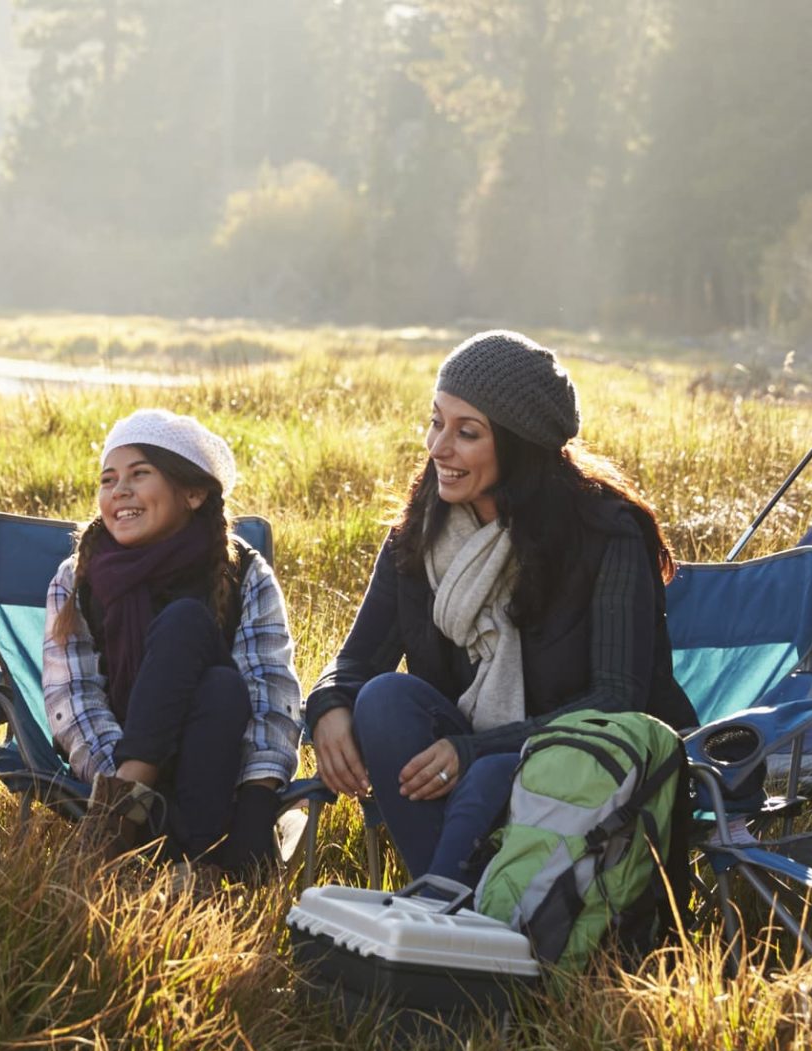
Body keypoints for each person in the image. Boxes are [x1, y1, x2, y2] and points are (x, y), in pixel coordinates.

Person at [307, 330, 696, 888]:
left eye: (467, 433)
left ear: (519, 447)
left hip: (585, 766)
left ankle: (442, 916)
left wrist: (476, 749)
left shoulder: (605, 533)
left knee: (491, 771)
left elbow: (616, 698)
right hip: (470, 759)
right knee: (384, 697)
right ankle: (469, 914)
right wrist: (327, 707)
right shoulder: (422, 529)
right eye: (436, 421)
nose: (438, 448)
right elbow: (356, 662)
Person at [42, 409, 302, 882]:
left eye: (140, 474)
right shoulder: (77, 577)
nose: (119, 490)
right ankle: (179, 854)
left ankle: (136, 842)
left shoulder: (242, 572)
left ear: (194, 492)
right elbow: (74, 699)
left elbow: (270, 695)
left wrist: (258, 801)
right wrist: (120, 780)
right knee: (196, 643)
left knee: (217, 676)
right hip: (115, 769)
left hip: (218, 770)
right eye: (108, 479)